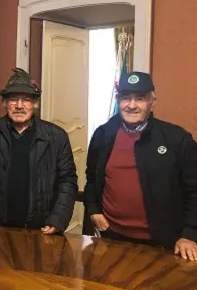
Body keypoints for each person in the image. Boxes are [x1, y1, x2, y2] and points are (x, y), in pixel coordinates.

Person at [84, 71, 197, 260]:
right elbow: (91, 178)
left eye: (140, 99)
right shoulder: (103, 135)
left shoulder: (177, 139)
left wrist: (190, 234)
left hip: (164, 242)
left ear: (152, 102)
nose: (132, 105)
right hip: (113, 236)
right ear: (118, 101)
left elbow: (195, 190)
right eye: (126, 98)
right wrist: (93, 209)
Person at [0, 68, 77, 234]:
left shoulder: (57, 137)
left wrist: (58, 218)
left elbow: (67, 181)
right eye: (13, 100)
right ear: (4, 102)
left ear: (35, 103)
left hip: (41, 229)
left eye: (26, 100)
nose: (19, 106)